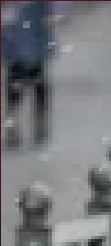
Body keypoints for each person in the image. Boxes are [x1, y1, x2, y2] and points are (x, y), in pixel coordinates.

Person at [2, 0, 52, 148]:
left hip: (34, 15)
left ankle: (38, 121)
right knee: (16, 69)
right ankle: (14, 122)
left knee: (35, 69)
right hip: (15, 16)